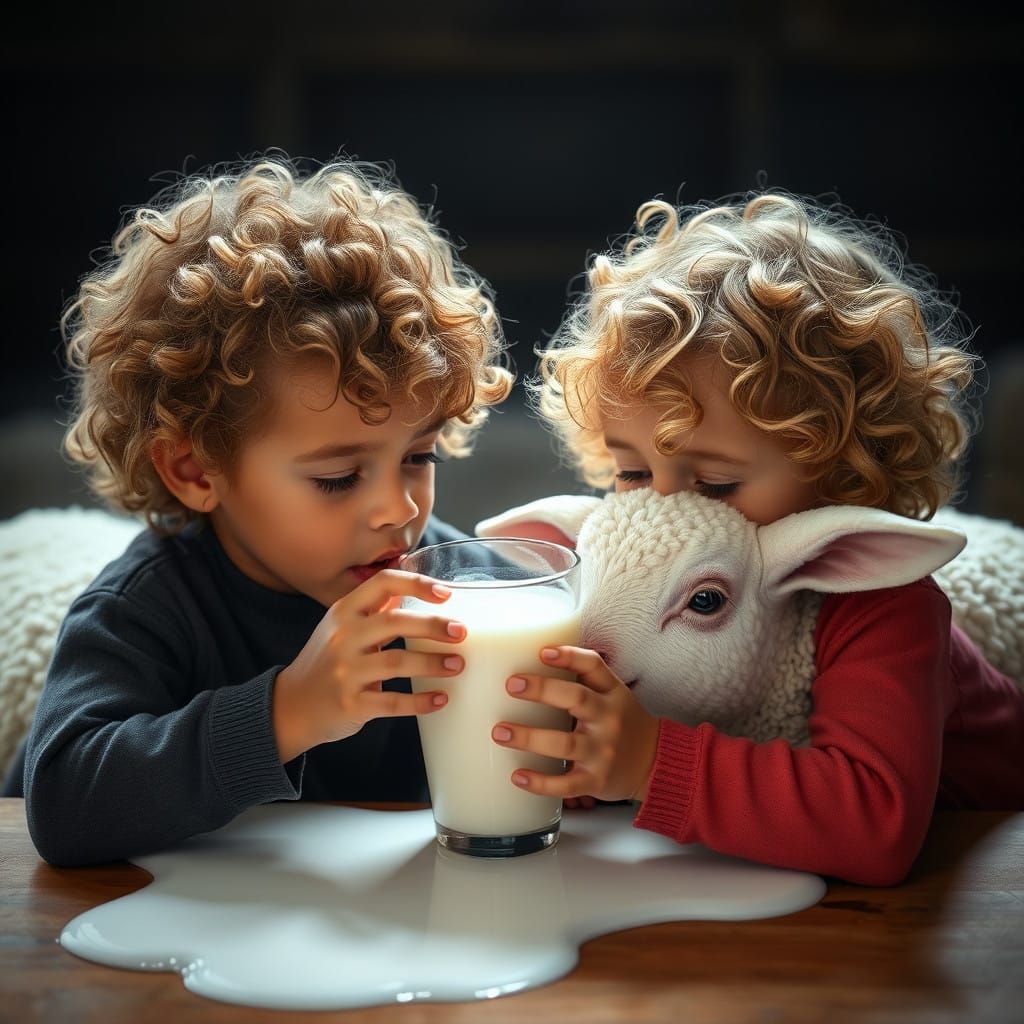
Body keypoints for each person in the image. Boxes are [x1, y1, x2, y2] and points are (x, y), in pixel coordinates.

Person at [492, 190, 1024, 885]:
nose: (665, 504)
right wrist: (588, 755)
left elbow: (874, 827)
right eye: (631, 470)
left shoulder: (885, 605)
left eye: (714, 483)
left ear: (843, 475)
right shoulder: (634, 575)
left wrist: (650, 761)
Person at [14, 152, 513, 866]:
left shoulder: (469, 589)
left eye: (419, 456)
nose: (397, 509)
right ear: (193, 469)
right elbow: (61, 804)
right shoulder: (150, 607)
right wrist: (287, 713)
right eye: (339, 477)